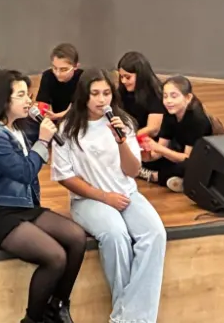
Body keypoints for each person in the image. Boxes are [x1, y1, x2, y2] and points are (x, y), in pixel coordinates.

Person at [52, 69, 167, 323]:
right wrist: (104, 197)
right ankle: (127, 317)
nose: (101, 99)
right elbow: (64, 177)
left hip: (126, 194)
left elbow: (133, 171)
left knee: (155, 234)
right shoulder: (68, 129)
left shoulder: (123, 123)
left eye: (106, 93)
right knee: (116, 235)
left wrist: (121, 142)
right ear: (84, 95)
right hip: (89, 199)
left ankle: (129, 317)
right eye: (95, 93)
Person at [0, 70, 84, 323]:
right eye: (21, 95)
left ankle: (57, 307)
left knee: (76, 238)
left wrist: (48, 133)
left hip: (23, 206)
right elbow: (23, 172)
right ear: (3, 100)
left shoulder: (17, 128)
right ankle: (32, 319)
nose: (28, 101)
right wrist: (43, 142)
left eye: (28, 95)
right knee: (55, 257)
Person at [140, 76, 214, 193]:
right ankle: (180, 181)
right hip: (179, 152)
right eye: (165, 96)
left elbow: (187, 157)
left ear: (188, 98)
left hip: (199, 159)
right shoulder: (169, 113)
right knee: (148, 161)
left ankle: (154, 176)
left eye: (174, 96)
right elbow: (161, 147)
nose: (168, 101)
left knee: (185, 166)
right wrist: (148, 155)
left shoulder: (197, 120)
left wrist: (158, 148)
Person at [116, 52, 165, 138]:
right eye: (121, 77)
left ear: (140, 75)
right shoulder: (121, 91)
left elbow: (153, 129)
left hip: (147, 140)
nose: (123, 81)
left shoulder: (155, 92)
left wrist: (129, 138)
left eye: (128, 77)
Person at [35, 44, 83, 123]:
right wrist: (42, 114)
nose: (58, 73)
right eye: (55, 68)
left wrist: (57, 116)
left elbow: (77, 109)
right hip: (55, 120)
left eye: (63, 69)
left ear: (76, 66)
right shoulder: (48, 76)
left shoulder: (83, 77)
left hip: (78, 120)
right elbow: (42, 103)